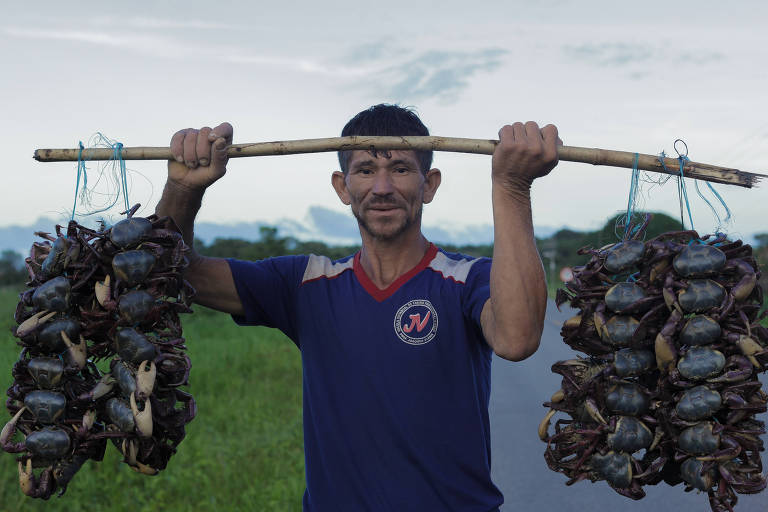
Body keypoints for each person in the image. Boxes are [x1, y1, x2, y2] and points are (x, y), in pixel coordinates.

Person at [155, 104, 560, 511]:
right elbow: (171, 271)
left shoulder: (466, 279)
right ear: (342, 186)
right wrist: (184, 190)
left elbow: (517, 337)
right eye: (365, 170)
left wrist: (512, 186)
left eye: (401, 168)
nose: (382, 187)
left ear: (430, 184)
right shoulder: (305, 283)